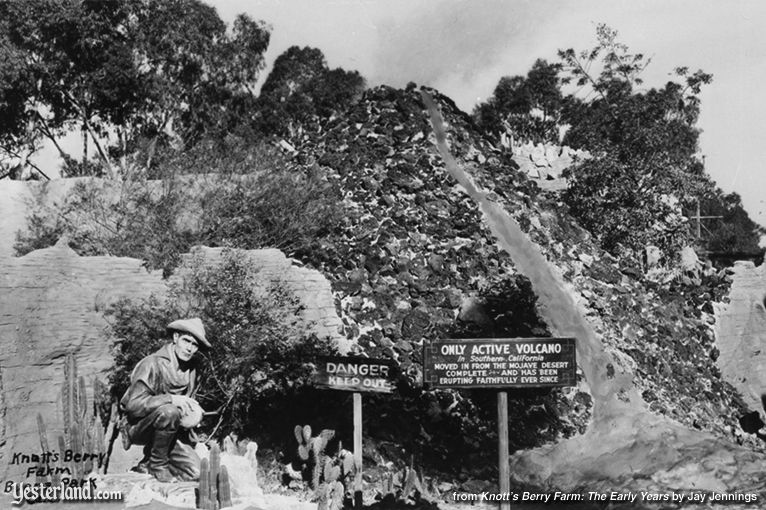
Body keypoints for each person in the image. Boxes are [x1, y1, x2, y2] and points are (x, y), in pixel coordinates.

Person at [119, 318, 211, 482]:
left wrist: (193, 412)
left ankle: (148, 462)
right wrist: (171, 399)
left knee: (197, 473)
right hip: (139, 426)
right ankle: (158, 466)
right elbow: (133, 406)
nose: (189, 348)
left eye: (194, 345)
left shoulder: (190, 370)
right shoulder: (152, 363)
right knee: (169, 411)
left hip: (170, 430)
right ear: (175, 338)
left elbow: (184, 403)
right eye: (186, 341)